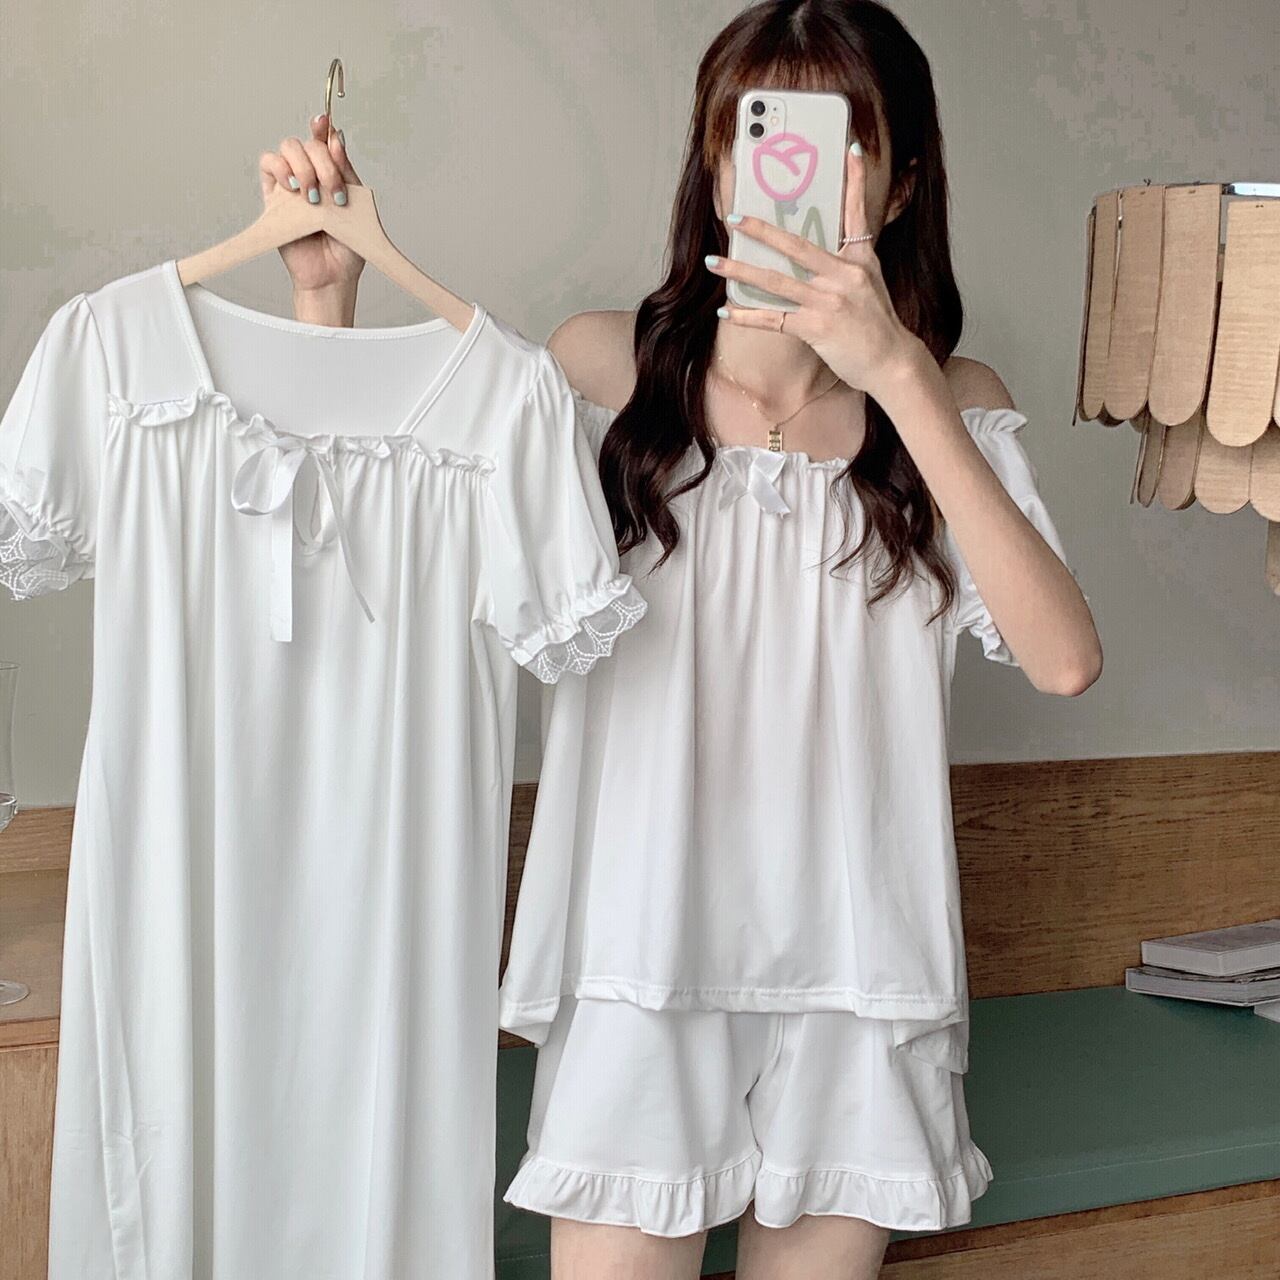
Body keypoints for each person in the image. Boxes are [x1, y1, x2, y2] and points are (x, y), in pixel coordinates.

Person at [261, 3, 1101, 1276]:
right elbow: (384, 572)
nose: (785, 171)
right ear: (714, 164)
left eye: (841, 140)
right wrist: (326, 304)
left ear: (900, 182)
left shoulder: (949, 405)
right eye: (755, 133)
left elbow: (1062, 658)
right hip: (638, 955)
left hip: (858, 980)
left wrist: (898, 372)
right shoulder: (601, 374)